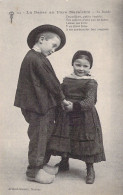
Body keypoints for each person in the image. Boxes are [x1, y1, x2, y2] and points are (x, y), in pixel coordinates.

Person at [14, 24, 70, 184]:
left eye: (56, 49)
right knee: (39, 137)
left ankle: (41, 164)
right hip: (38, 107)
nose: (54, 51)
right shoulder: (36, 59)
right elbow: (51, 83)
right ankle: (33, 172)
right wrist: (62, 99)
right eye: (53, 46)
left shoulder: (34, 57)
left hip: (40, 105)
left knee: (43, 135)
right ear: (42, 39)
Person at [48, 50, 106, 184]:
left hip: (84, 115)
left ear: (90, 67)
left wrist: (74, 106)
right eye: (78, 64)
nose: (81, 68)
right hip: (66, 113)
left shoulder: (91, 82)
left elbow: (90, 101)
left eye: (85, 66)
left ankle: (90, 169)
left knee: (85, 140)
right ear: (72, 64)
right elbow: (59, 93)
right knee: (67, 136)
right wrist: (62, 102)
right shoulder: (67, 80)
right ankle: (64, 161)